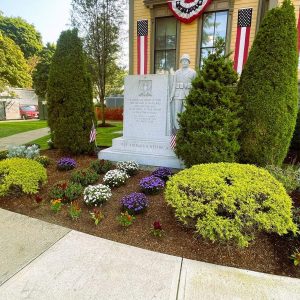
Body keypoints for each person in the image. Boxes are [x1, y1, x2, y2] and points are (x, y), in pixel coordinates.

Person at [170, 54, 196, 131]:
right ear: (181, 62)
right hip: (177, 94)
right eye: (183, 61)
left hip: (188, 94)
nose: (184, 62)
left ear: (189, 62)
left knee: (185, 111)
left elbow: (195, 85)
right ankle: (177, 128)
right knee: (176, 112)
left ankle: (184, 128)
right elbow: (174, 84)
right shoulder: (177, 72)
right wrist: (172, 95)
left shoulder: (193, 72)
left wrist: (194, 96)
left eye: (186, 60)